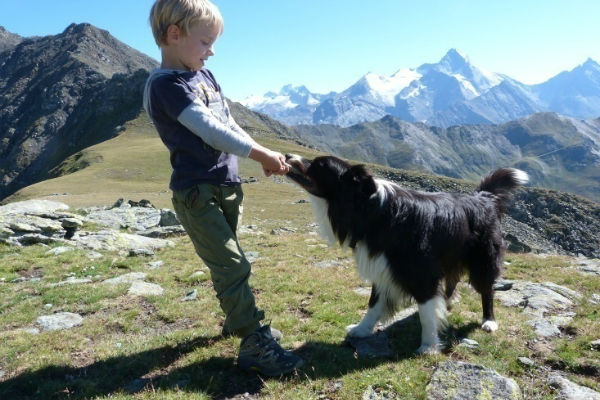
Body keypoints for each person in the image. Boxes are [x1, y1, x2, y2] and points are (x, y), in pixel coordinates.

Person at [144, 0, 303, 376]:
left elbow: (229, 124)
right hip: (196, 192)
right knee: (232, 264)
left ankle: (237, 320)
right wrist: (260, 154)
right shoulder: (166, 86)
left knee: (229, 262)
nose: (211, 51)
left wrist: (264, 155)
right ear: (174, 35)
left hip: (227, 185)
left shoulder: (206, 77)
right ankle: (253, 340)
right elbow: (209, 130)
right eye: (205, 42)